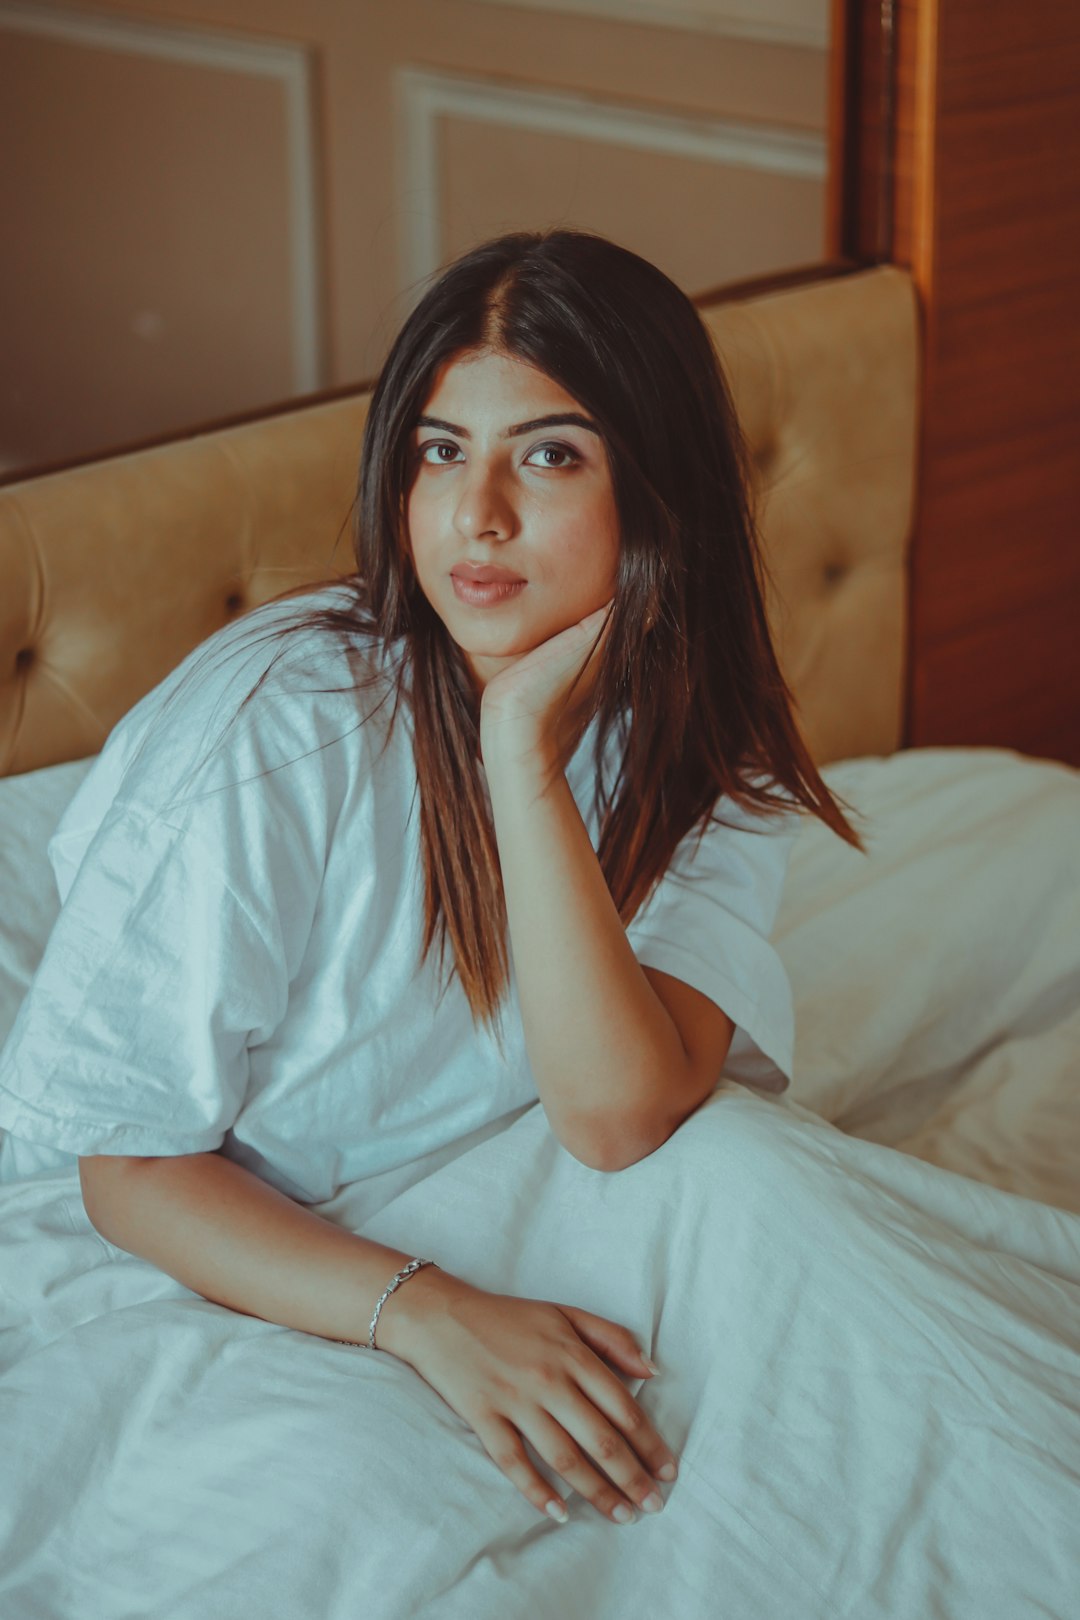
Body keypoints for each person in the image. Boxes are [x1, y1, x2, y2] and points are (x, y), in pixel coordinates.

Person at [0, 227, 865, 1535]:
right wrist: (426, 1315)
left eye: (552, 455)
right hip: (235, 1228)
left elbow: (616, 1115)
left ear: (659, 486)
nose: (479, 515)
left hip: (500, 1178)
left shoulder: (699, 745)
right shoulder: (276, 731)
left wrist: (519, 754)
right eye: (441, 452)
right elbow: (127, 1167)